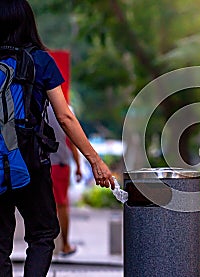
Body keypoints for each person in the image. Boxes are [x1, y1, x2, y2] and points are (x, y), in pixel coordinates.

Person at [0, 1, 115, 276]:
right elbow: (65, 117)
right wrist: (95, 161)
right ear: (28, 22)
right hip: (31, 162)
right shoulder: (41, 60)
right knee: (42, 235)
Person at [48, 105, 82, 257]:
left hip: (40, 163)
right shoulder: (65, 108)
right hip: (60, 163)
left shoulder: (34, 102)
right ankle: (65, 244)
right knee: (61, 204)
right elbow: (72, 139)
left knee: (47, 204)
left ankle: (48, 244)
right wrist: (78, 165)